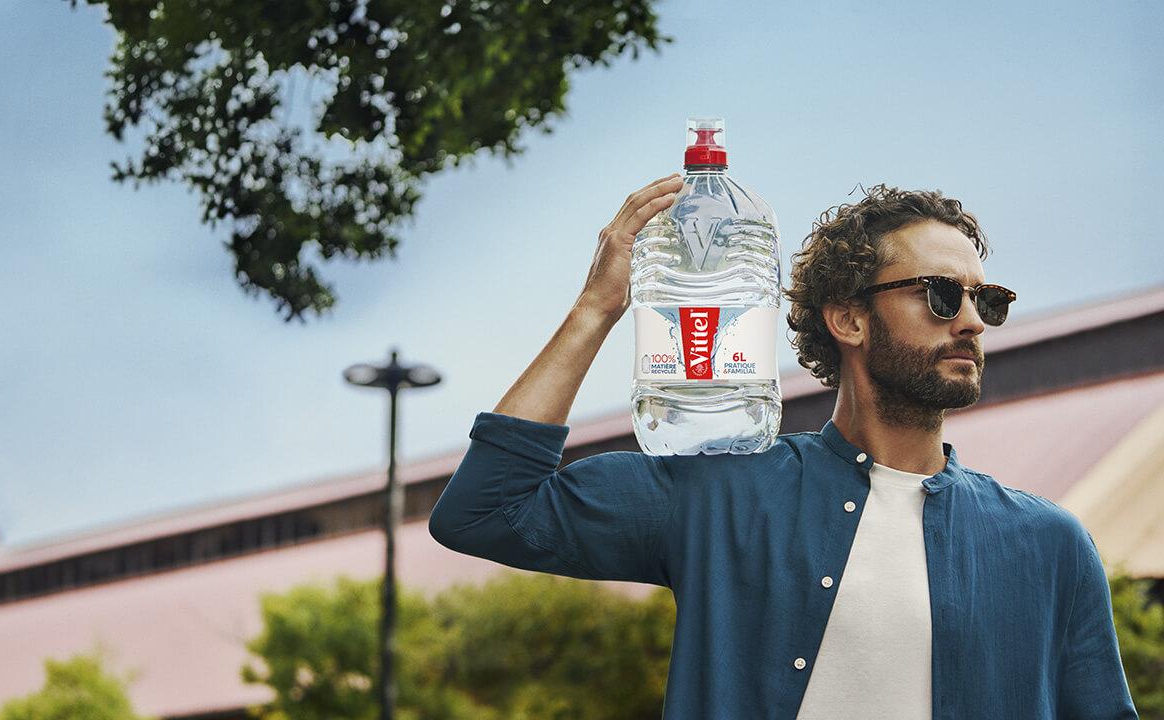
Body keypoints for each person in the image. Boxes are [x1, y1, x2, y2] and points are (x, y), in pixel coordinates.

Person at [428, 176, 1139, 719]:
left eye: (987, 301)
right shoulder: (721, 494)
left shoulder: (1049, 545)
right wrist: (596, 308)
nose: (973, 323)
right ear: (849, 319)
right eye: (940, 294)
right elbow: (487, 511)